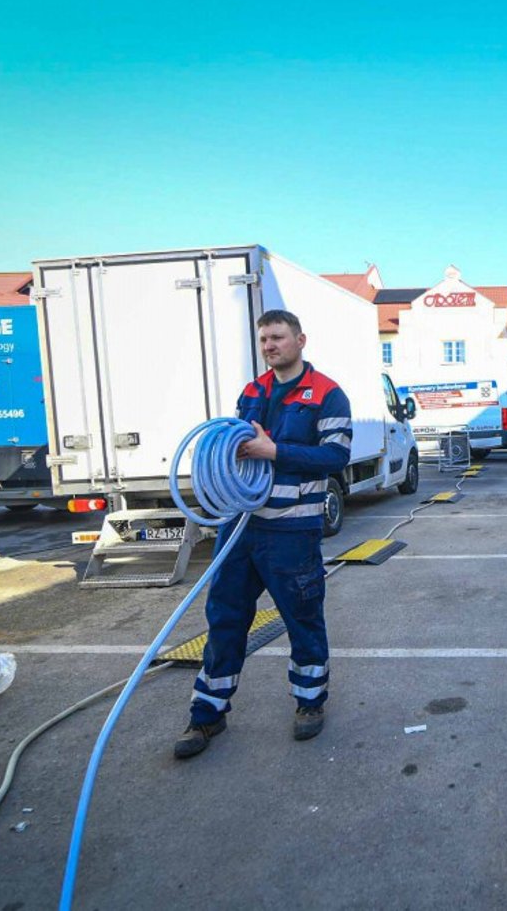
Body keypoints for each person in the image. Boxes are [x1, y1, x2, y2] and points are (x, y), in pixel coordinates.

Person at [175, 309, 353, 759]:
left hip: (292, 532)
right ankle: (207, 714)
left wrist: (275, 451)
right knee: (225, 619)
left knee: (302, 618)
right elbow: (234, 446)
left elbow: (334, 457)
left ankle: (310, 703)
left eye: (278, 337)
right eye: (264, 340)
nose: (270, 346)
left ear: (300, 339)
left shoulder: (328, 395)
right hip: (239, 528)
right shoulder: (251, 392)